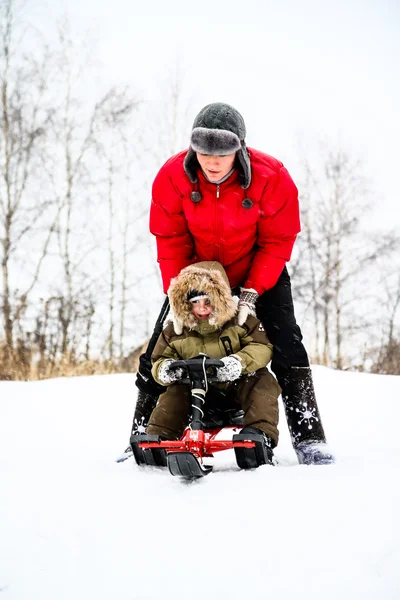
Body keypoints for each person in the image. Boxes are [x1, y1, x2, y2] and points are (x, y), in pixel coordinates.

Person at [127, 101, 334, 466]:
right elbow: (170, 239)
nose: (212, 160)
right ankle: (139, 435)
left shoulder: (273, 177)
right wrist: (179, 295)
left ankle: (310, 438)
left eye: (221, 151)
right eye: (203, 150)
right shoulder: (172, 177)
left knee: (287, 342)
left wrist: (251, 293)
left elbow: (277, 241)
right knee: (161, 343)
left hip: (256, 269)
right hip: (197, 273)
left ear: (239, 147)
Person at [145, 261, 281, 467]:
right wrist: (167, 369)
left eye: (207, 301)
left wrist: (238, 362)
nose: (201, 308)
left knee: (261, 380)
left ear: (219, 299)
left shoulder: (239, 321)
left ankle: (259, 433)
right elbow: (158, 360)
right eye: (195, 302)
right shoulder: (175, 330)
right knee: (174, 392)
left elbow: (261, 347)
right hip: (195, 397)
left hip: (236, 395)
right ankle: (160, 436)